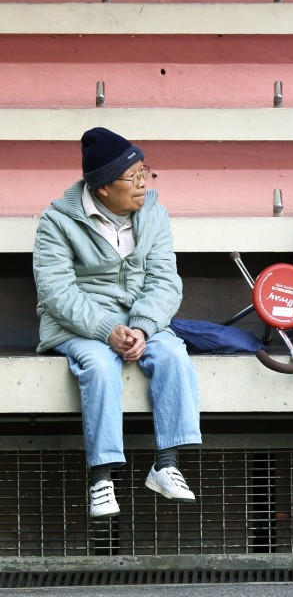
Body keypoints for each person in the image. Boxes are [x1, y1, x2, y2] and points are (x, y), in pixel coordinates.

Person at [33, 127, 202, 520]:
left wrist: (142, 328)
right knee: (99, 365)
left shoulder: (154, 214)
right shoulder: (57, 222)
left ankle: (166, 463)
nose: (144, 182)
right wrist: (108, 329)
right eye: (134, 176)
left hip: (141, 321)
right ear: (104, 188)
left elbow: (165, 281)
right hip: (79, 325)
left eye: (146, 171)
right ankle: (101, 477)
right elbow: (57, 293)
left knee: (174, 353)